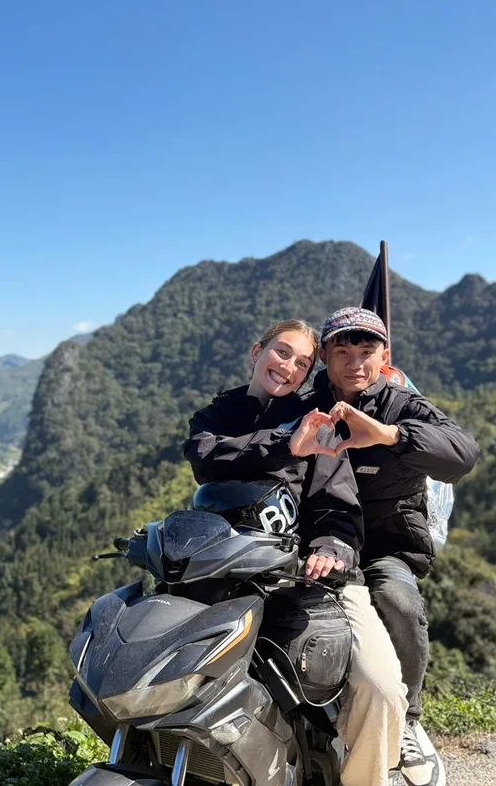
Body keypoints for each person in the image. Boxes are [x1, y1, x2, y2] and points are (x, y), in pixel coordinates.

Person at [183, 319, 408, 786]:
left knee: (379, 685)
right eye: (281, 353)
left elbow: (337, 506)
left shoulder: (318, 423)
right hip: (224, 576)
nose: (288, 367)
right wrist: (286, 444)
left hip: (309, 579)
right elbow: (207, 459)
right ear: (256, 351)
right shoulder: (217, 415)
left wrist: (330, 548)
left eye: (302, 363)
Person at [285, 307, 479, 786]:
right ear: (325, 356)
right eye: (343, 351)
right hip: (314, 541)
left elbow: (461, 453)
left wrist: (389, 436)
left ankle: (407, 720)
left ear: (384, 356)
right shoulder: (306, 406)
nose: (355, 363)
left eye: (366, 352)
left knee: (397, 601)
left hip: (384, 545)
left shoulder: (402, 406)